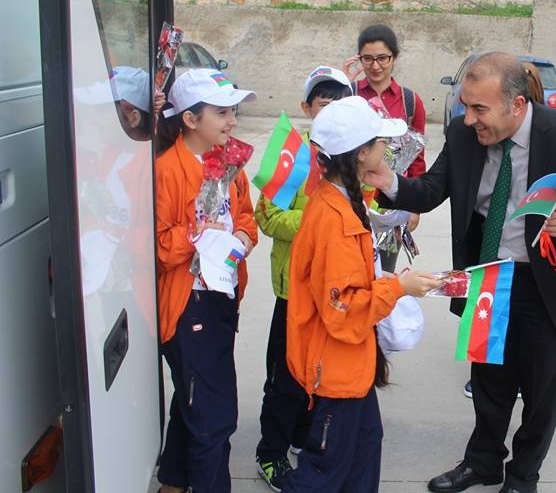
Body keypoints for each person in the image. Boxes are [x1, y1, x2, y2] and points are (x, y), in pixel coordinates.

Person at [365, 52, 556, 493]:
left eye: (480, 108)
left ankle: (523, 476)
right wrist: (388, 180)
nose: (469, 119)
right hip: (487, 279)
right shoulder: (466, 139)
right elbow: (429, 190)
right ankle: (483, 462)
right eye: (466, 106)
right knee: (488, 383)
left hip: (549, 284)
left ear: (517, 105)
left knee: (541, 393)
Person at [281, 97, 441, 493]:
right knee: (325, 471)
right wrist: (398, 287)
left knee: (364, 450)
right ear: (359, 155)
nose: (385, 150)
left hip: (351, 365)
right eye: (378, 143)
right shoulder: (334, 219)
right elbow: (342, 310)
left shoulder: (341, 201)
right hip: (336, 367)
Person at [155, 69, 259, 493]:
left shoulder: (230, 162)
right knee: (215, 419)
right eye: (221, 112)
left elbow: (249, 221)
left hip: (221, 301)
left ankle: (173, 482)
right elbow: (159, 248)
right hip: (188, 307)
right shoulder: (167, 171)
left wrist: (239, 238)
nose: (232, 120)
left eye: (233, 110)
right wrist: (199, 234)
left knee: (194, 399)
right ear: (190, 119)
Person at [253, 66, 351, 491]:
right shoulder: (292, 156)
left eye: (338, 99)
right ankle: (270, 453)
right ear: (307, 107)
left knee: (319, 375)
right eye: (321, 99)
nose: (329, 105)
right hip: (293, 291)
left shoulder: (352, 160)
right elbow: (268, 217)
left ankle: (300, 437)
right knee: (287, 377)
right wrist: (318, 220)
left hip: (332, 294)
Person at [343, 24, 427, 273]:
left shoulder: (410, 102)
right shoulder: (350, 94)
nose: (375, 65)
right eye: (367, 58)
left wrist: (415, 206)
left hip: (390, 204)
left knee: (384, 275)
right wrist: (343, 86)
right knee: (349, 271)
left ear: (394, 58)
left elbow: (417, 160)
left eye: (382, 58)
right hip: (352, 197)